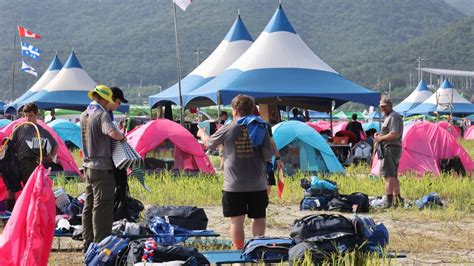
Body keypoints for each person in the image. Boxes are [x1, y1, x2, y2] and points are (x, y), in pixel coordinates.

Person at [197, 95, 273, 250]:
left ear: (235, 110)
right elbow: (267, 155)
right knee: (259, 218)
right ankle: (257, 252)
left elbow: (210, 144)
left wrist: (201, 134)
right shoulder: (261, 127)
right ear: (252, 109)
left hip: (234, 185)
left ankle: (239, 254)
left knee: (236, 221)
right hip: (257, 184)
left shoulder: (229, 127)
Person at [80, 85, 126, 251]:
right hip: (102, 167)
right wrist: (122, 136)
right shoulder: (102, 114)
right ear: (106, 99)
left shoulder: (85, 114)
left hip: (88, 165)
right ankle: (101, 246)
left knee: (89, 206)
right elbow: (113, 133)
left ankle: (88, 244)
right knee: (103, 207)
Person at [8, 102, 58, 211]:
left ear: (36, 115)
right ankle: (10, 214)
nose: (27, 118)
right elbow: (11, 144)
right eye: (25, 115)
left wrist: (50, 157)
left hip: (32, 164)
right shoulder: (18, 128)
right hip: (17, 162)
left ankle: (30, 213)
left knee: (30, 190)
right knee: (11, 189)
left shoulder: (42, 131)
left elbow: (55, 145)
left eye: (30, 115)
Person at [375, 97, 404, 208]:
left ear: (390, 106)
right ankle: (398, 200)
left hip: (390, 148)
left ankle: (388, 202)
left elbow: (394, 134)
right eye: (381, 107)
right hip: (391, 148)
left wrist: (380, 139)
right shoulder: (390, 117)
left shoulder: (393, 116)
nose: (382, 109)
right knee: (393, 175)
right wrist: (379, 135)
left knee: (388, 175)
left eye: (384, 106)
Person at [109, 87, 130, 221]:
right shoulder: (105, 114)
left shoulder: (107, 113)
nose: (119, 105)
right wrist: (122, 137)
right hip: (110, 160)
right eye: (118, 102)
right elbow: (113, 135)